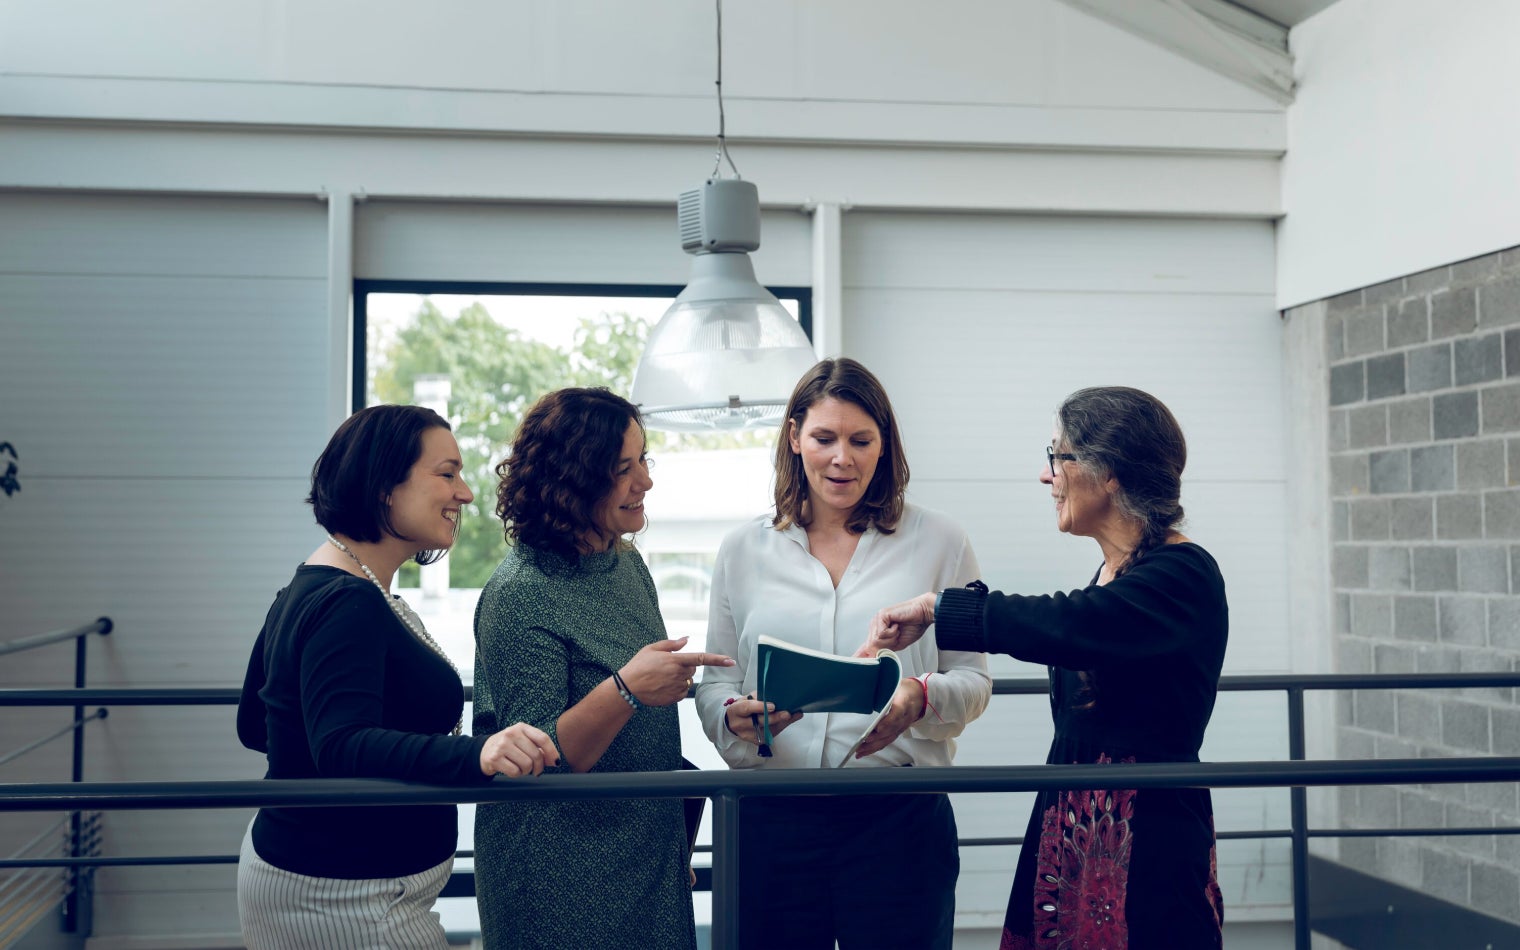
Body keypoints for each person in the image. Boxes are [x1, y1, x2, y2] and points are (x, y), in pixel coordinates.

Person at [865, 386, 1228, 950]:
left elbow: (1074, 622)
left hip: (1148, 826)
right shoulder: (1116, 571)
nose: (1046, 474)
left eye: (1058, 456)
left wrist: (942, 608)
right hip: (1073, 816)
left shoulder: (1183, 574)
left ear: (1109, 471)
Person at [694, 358, 992, 950]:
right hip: (771, 818)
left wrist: (921, 697)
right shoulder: (742, 549)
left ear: (885, 446)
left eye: (861, 440)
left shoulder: (941, 541)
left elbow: (974, 683)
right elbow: (713, 683)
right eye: (824, 438)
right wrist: (731, 716)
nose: (842, 458)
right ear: (794, 437)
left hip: (898, 820)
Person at [236, 404, 559, 950]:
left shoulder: (319, 581)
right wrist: (475, 755)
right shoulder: (347, 602)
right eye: (447, 473)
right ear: (385, 486)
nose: (466, 494)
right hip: (347, 897)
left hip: (340, 881)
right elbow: (339, 743)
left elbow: (256, 723)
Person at [471, 387, 734, 950]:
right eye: (623, 468)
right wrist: (628, 689)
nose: (646, 481)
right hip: (556, 871)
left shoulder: (625, 561)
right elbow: (536, 762)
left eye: (644, 459)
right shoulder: (519, 594)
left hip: (647, 850)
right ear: (572, 482)